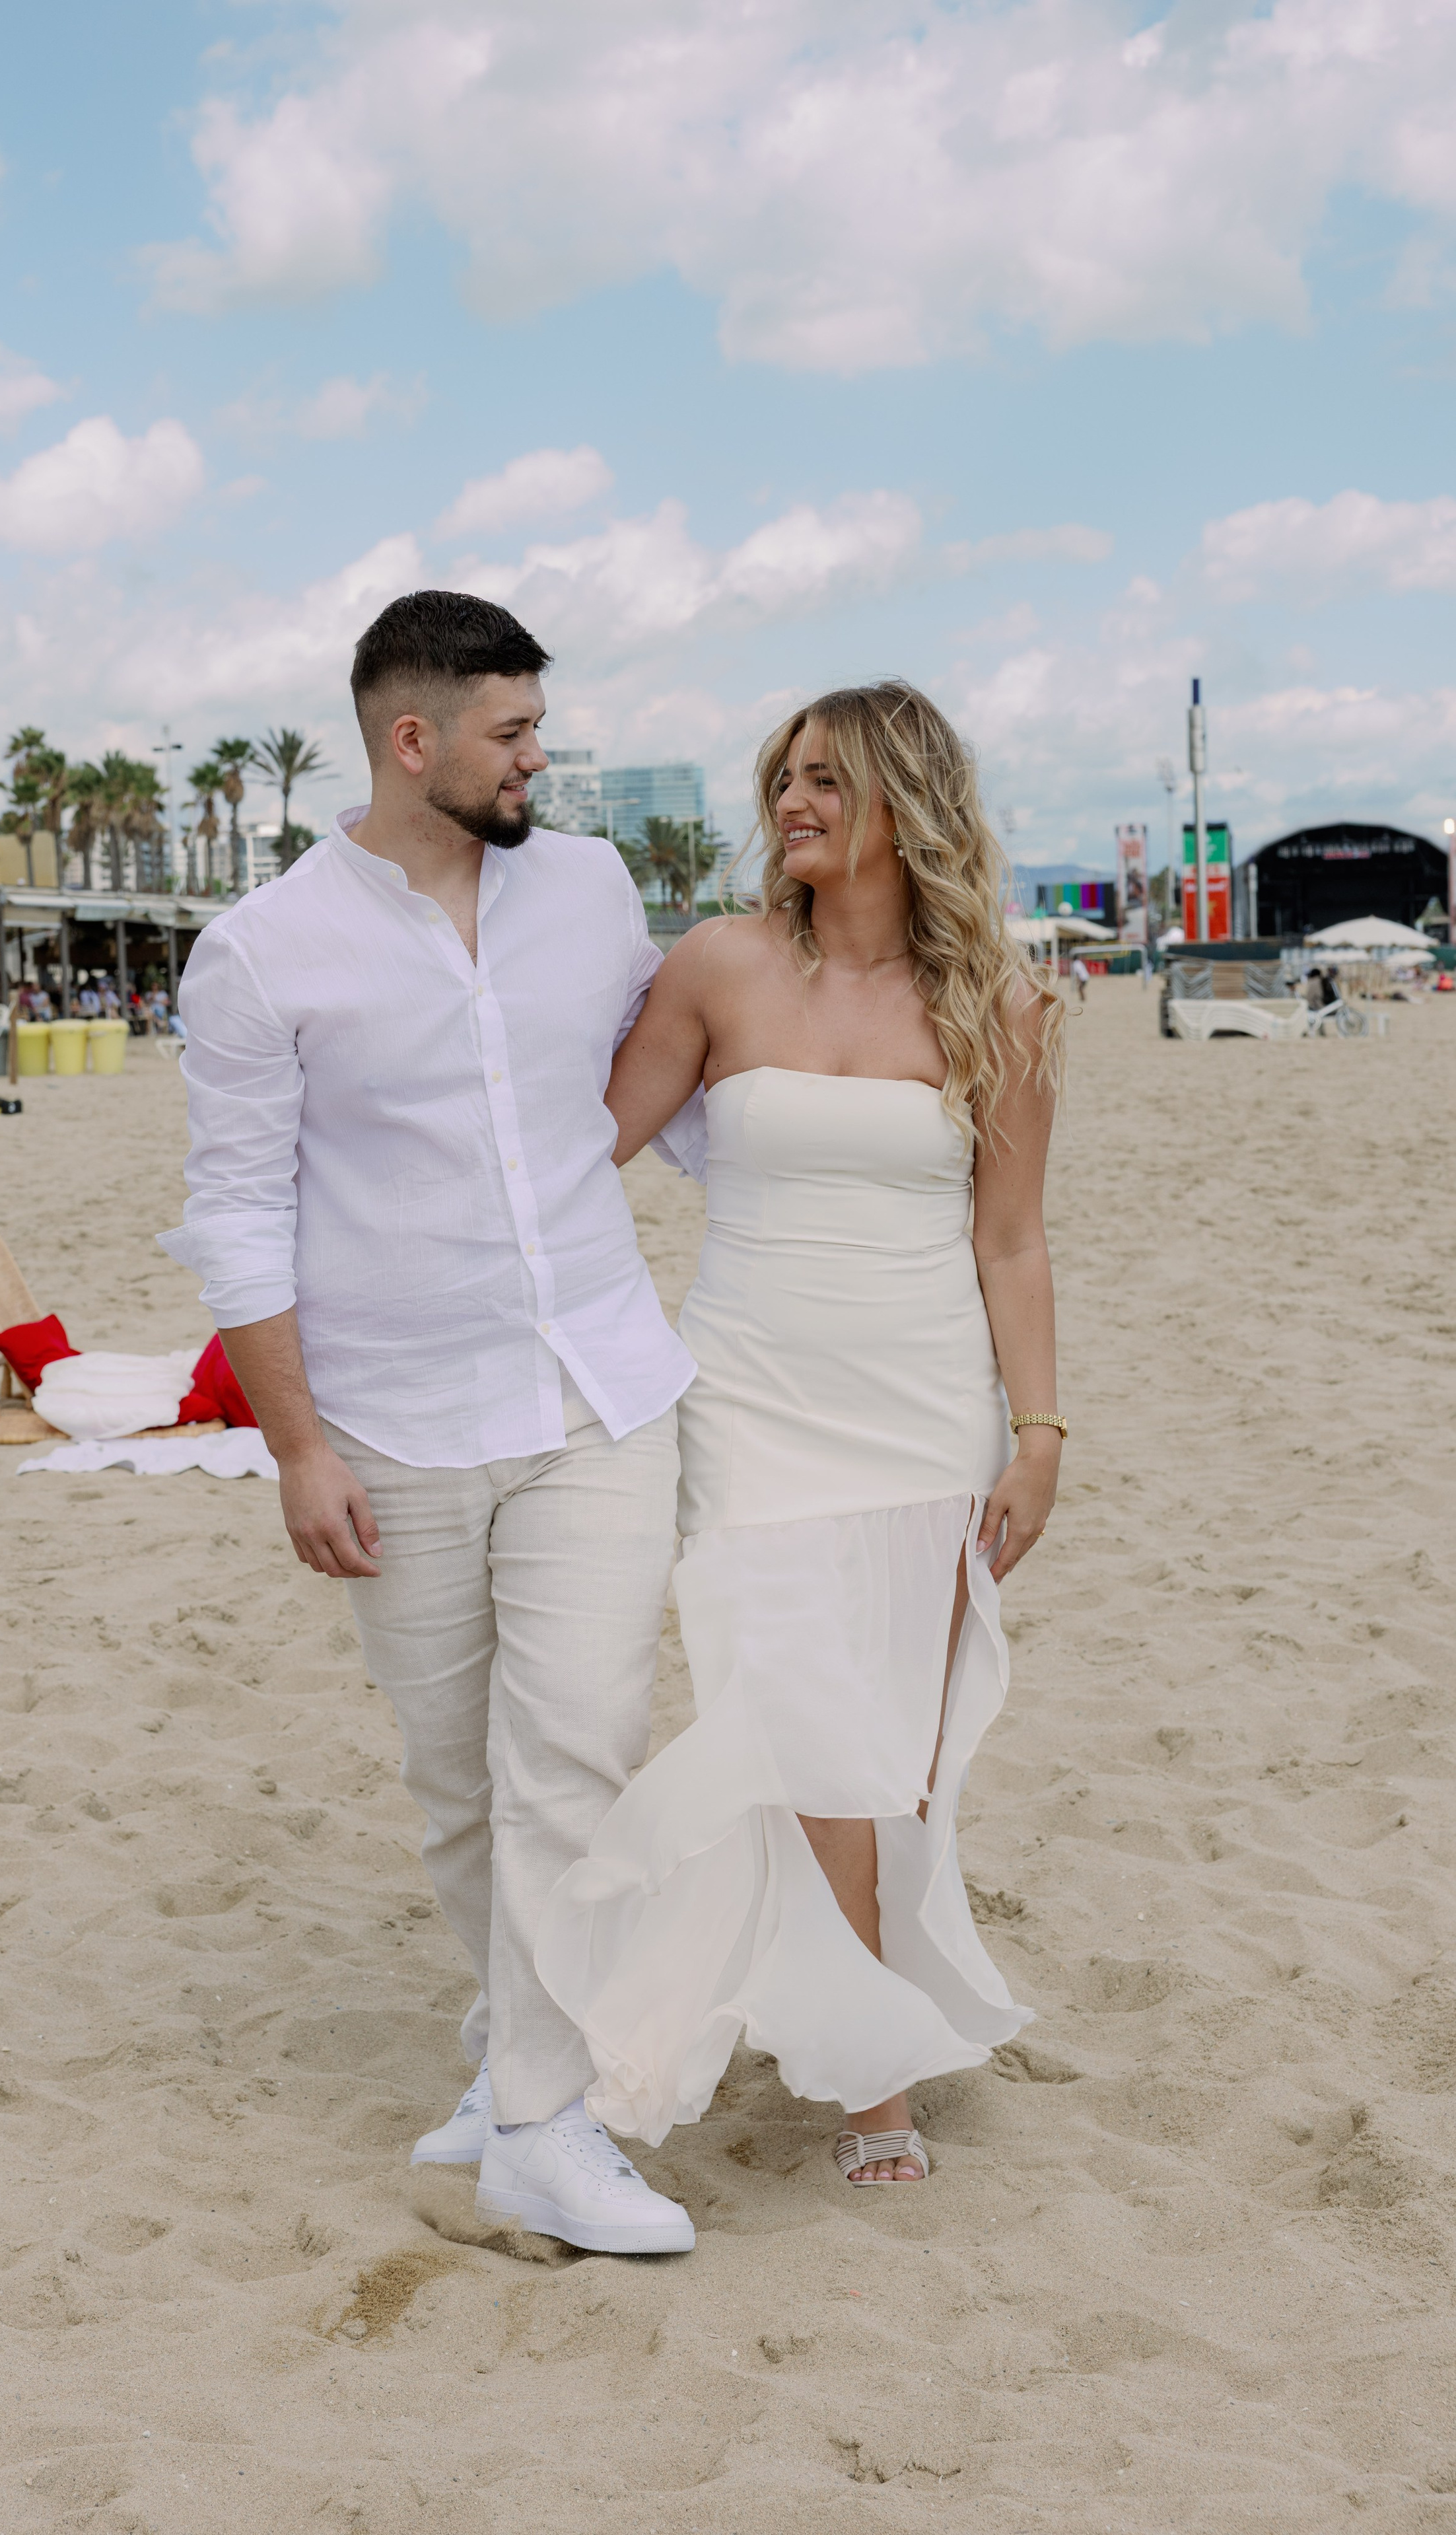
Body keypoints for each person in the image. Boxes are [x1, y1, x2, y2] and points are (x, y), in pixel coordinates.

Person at [159, 591, 699, 2256]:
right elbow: (237, 1214)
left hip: (597, 1387)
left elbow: (667, 1073)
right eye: (514, 733)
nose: (541, 759)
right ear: (415, 740)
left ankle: (538, 2118)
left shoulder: (591, 887)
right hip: (391, 1422)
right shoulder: (261, 951)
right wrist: (299, 1446)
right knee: (458, 1778)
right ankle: (513, 2056)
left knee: (580, 1742)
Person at [537, 680, 1064, 2187]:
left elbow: (1012, 1242)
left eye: (826, 777)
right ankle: (870, 2080)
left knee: (890, 1756)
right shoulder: (715, 968)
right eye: (781, 775)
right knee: (801, 1720)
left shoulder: (1002, 1005)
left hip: (921, 1410)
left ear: (907, 801)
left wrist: (1037, 1431)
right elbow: (580, 1154)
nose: (791, 800)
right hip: (750, 1401)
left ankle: (860, 2011)